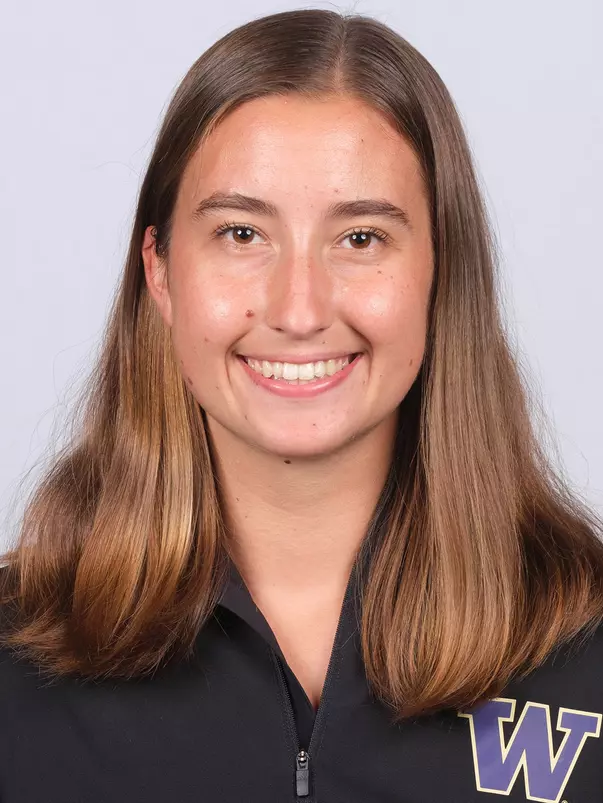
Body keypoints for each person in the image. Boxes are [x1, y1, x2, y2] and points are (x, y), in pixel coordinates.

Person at [1, 7, 603, 803]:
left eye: (360, 238)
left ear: (440, 271)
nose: (298, 308)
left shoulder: (585, 649)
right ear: (160, 273)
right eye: (242, 234)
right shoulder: (15, 665)